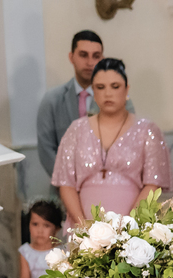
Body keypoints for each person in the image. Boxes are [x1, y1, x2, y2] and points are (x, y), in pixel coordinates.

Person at [52, 58, 172, 278]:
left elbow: (153, 182)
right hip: (84, 230)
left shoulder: (148, 129)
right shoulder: (75, 130)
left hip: (132, 232)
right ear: (93, 91)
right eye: (100, 87)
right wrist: (85, 226)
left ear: (127, 89)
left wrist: (124, 229)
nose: (107, 94)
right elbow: (66, 183)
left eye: (115, 87)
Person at [36, 30, 134, 180]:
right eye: (83, 55)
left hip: (110, 186)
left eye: (96, 56)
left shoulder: (121, 101)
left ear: (102, 58)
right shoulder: (52, 100)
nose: (90, 62)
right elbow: (46, 150)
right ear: (71, 57)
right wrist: (70, 183)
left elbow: (129, 144)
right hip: (63, 190)